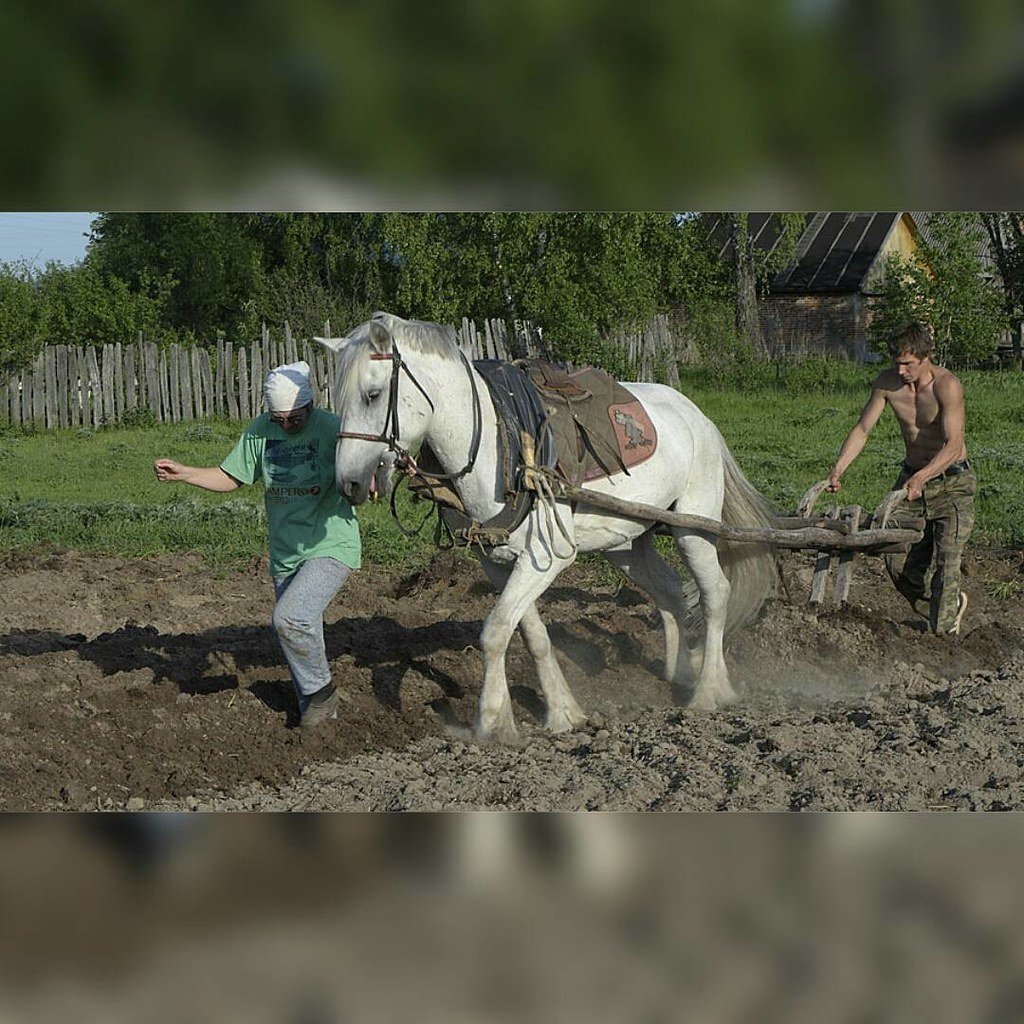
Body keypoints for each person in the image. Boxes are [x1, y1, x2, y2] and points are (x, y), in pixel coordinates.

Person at [154, 360, 361, 729]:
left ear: (310, 406)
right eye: (278, 418)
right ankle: (323, 724)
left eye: (294, 419)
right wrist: (184, 473)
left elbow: (362, 471)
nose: (285, 425)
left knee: (290, 619)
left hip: (330, 545)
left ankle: (323, 694)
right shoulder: (260, 432)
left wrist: (372, 481)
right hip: (285, 554)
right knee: (299, 632)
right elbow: (230, 476)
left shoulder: (333, 429)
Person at [826, 321, 974, 635]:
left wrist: (924, 476)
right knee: (893, 556)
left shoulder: (946, 385)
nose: (902, 370)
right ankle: (937, 609)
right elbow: (863, 429)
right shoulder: (886, 384)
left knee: (947, 567)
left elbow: (955, 444)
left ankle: (943, 639)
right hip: (911, 483)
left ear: (926, 357)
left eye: (908, 364)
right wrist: (839, 468)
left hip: (952, 483)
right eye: (897, 363)